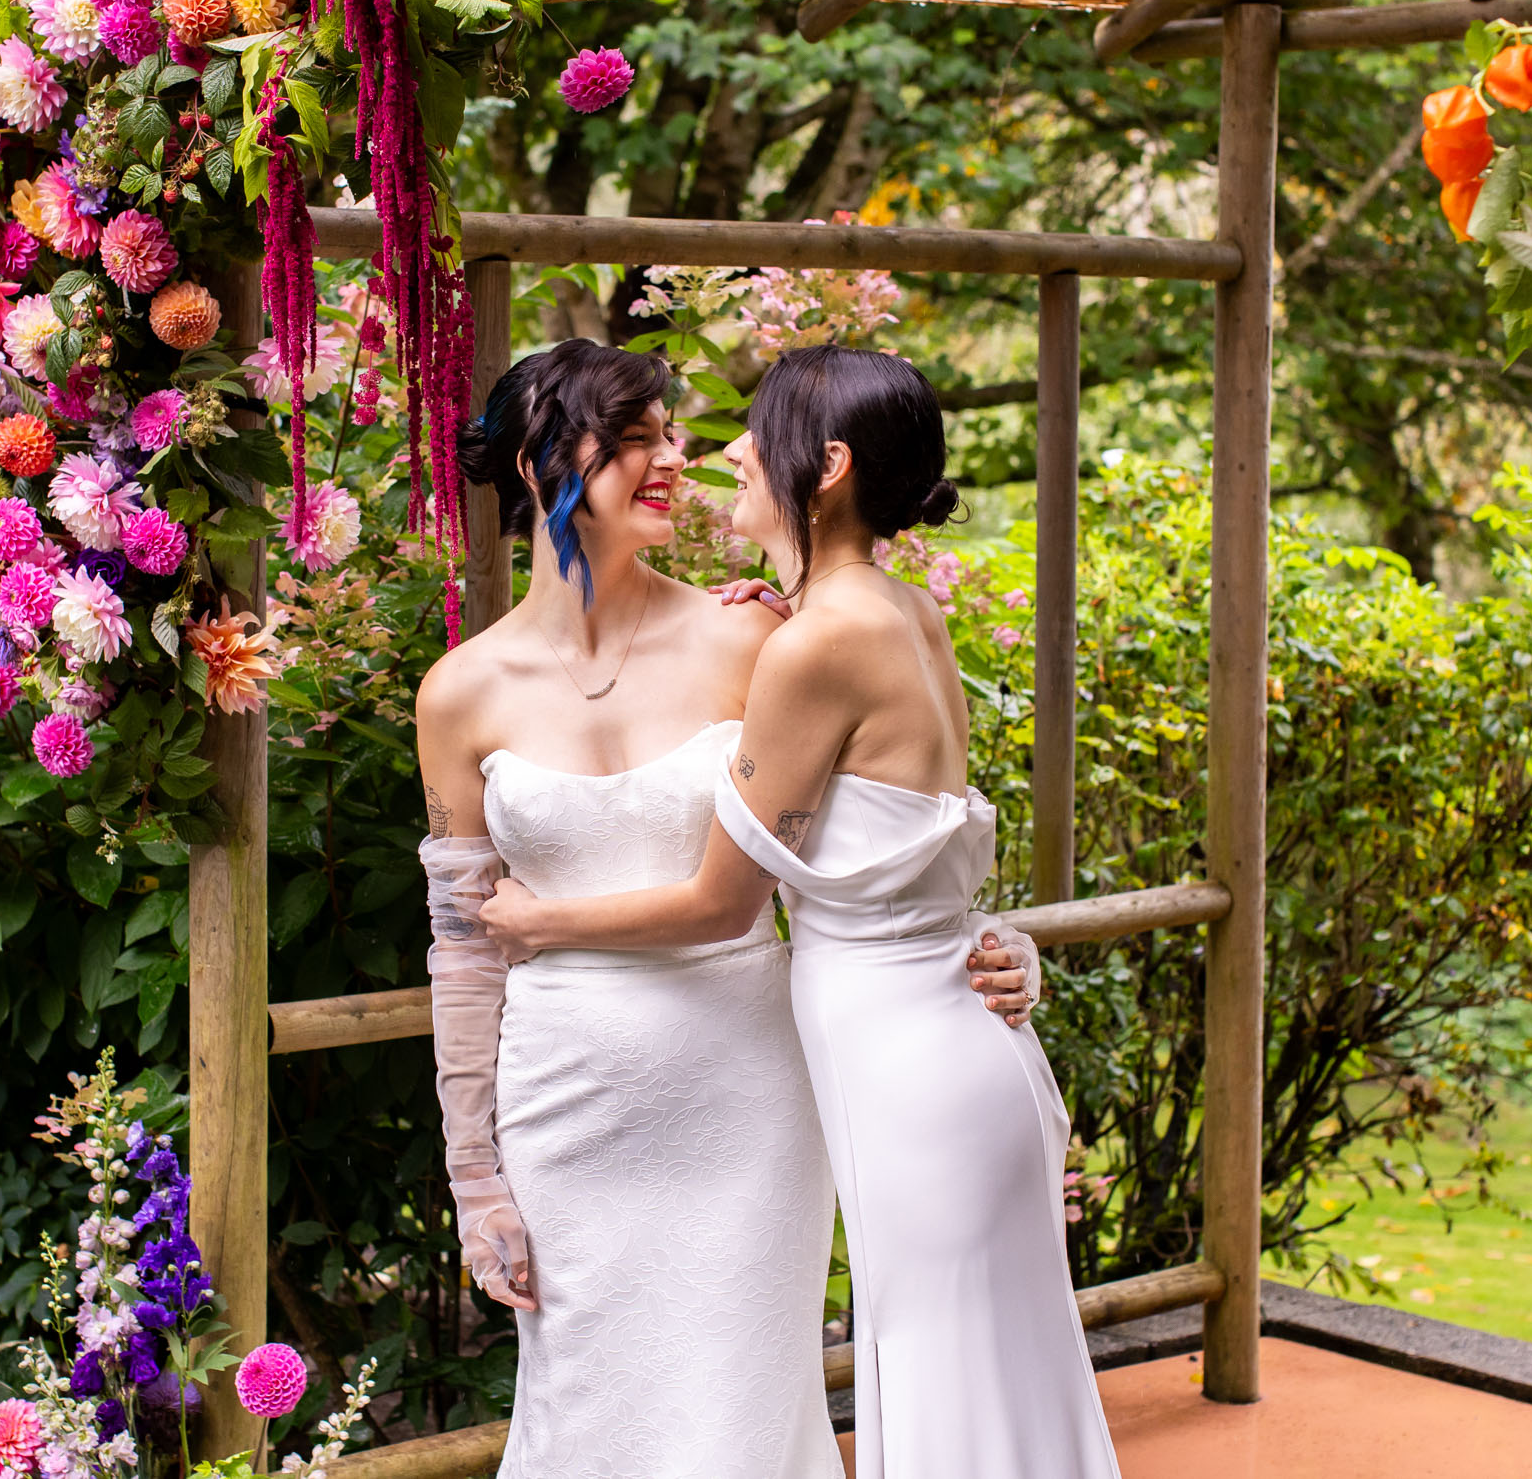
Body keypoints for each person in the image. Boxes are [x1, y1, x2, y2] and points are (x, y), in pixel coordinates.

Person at [477, 345, 1118, 1479]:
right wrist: (996, 938)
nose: (720, 450)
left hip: (904, 1061)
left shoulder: (813, 640)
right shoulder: (894, 612)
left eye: (746, 431)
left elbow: (727, 899)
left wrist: (542, 924)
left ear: (822, 466)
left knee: (937, 1386)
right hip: (940, 1042)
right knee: (981, 1384)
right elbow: (928, 845)